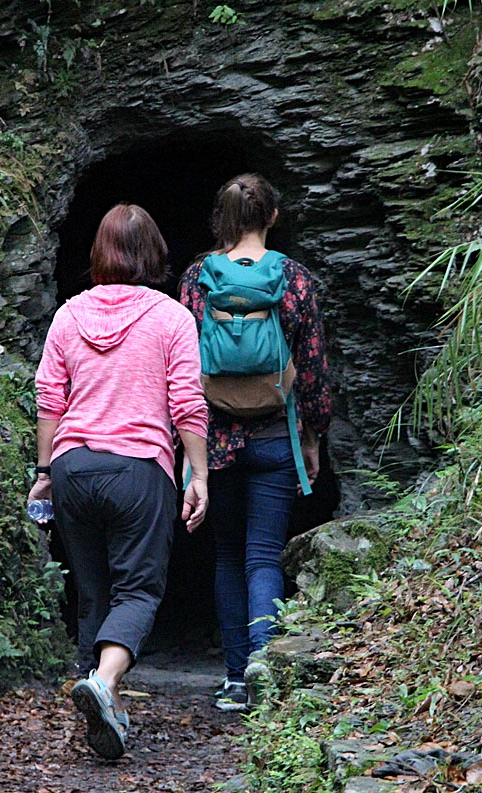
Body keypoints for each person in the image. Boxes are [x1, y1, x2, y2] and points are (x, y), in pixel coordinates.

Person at [28, 203, 209, 759]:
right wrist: (198, 472)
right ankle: (105, 685)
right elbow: (186, 402)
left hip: (73, 467)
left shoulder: (67, 315)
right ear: (154, 252)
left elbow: (48, 400)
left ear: (99, 252)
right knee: (138, 589)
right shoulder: (172, 317)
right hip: (138, 469)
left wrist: (43, 473)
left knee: (93, 595)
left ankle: (100, 715)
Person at [179, 173, 331, 710]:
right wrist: (312, 437)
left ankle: (236, 677)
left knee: (226, 556)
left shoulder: (199, 277)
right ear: (272, 217)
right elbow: (310, 369)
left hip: (215, 438)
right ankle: (266, 678)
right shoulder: (293, 278)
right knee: (264, 555)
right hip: (274, 434)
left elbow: (183, 361)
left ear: (222, 218)